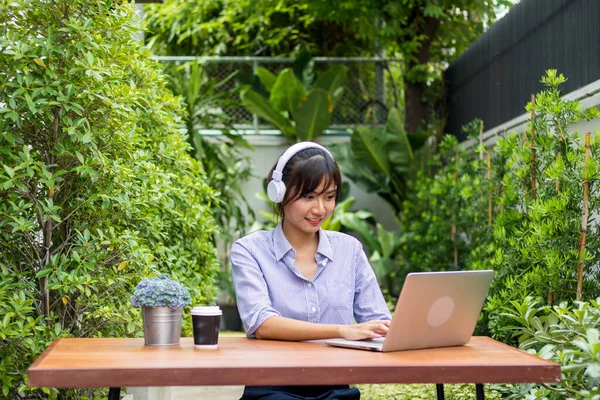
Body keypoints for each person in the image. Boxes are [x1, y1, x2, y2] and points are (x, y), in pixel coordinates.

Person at [231, 141, 391, 400]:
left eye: (329, 197)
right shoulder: (249, 251)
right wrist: (341, 330)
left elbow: (379, 321)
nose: (320, 209)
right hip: (271, 391)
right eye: (308, 197)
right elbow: (262, 323)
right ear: (279, 193)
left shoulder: (349, 250)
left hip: (336, 390)